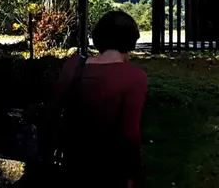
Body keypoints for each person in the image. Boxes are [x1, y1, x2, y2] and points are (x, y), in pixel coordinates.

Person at [40, 10, 149, 188]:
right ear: (132, 40)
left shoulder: (74, 65)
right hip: (109, 167)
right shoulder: (135, 78)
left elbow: (52, 110)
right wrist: (132, 172)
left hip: (71, 160)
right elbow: (130, 132)